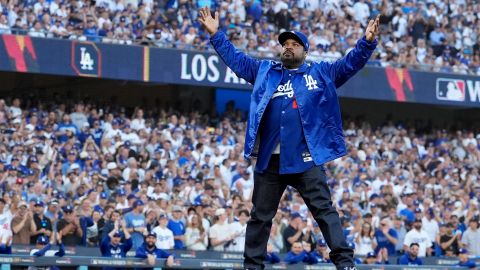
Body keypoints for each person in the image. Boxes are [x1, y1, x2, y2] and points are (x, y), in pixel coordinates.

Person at [198, 6, 380, 270]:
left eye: (295, 44)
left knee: (324, 211)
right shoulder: (264, 70)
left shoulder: (321, 73)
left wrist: (367, 42)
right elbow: (236, 60)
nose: (288, 47)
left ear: (304, 52)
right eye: (285, 44)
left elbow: (350, 63)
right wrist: (217, 36)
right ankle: (252, 266)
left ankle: (345, 263)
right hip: (270, 160)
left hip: (305, 158)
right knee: (260, 217)